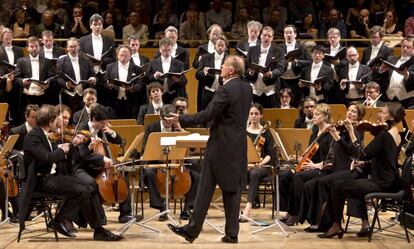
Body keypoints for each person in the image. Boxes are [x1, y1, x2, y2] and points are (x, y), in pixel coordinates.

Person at [167, 55, 252, 244]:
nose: (221, 67)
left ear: (231, 70)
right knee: (232, 189)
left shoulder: (226, 89)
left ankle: (191, 230)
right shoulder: (247, 88)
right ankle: (231, 233)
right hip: (238, 144)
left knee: (205, 188)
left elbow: (207, 115)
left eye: (224, 65)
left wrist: (180, 119)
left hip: (220, 146)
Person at [22, 104, 123, 240]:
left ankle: (61, 220)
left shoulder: (43, 134)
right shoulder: (33, 137)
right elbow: (47, 158)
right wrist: (61, 150)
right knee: (82, 189)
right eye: (57, 119)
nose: (59, 122)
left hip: (51, 177)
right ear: (51, 121)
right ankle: (97, 230)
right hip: (41, 180)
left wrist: (73, 144)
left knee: (86, 187)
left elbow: (55, 151)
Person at [318, 102, 404, 239]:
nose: (379, 114)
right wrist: (364, 164)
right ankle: (363, 224)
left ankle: (336, 225)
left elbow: (361, 153)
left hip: (380, 183)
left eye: (382, 112)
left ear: (391, 117)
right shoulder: (397, 135)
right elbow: (383, 159)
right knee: (353, 182)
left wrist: (352, 133)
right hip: (390, 181)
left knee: (336, 185)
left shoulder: (384, 135)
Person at [299, 103, 365, 232]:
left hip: (347, 168)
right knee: (314, 183)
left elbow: (352, 151)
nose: (350, 113)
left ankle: (324, 223)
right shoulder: (343, 128)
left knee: (321, 182)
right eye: (349, 110)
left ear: (359, 116)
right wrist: (335, 134)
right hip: (337, 166)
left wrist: (338, 136)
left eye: (354, 112)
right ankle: (318, 220)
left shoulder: (357, 131)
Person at [141, 104, 199, 221]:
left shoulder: (178, 126)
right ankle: (161, 208)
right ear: (161, 118)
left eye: (171, 121)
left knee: (197, 177)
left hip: (177, 164)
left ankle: (187, 209)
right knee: (148, 172)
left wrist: (182, 131)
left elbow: (192, 148)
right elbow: (144, 150)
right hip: (157, 163)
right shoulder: (152, 128)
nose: (169, 124)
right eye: (166, 121)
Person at [281, 103, 333, 226]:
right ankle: (290, 210)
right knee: (285, 175)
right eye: (313, 115)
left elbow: (331, 159)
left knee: (298, 177)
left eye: (317, 114)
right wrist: (300, 158)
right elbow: (311, 154)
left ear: (325, 116)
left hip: (323, 168)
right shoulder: (314, 133)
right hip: (312, 166)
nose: (313, 117)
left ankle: (295, 213)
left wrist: (314, 165)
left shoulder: (331, 133)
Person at [240, 103, 277, 221]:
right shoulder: (243, 132)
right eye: (251, 114)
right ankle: (235, 208)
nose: (253, 116)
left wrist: (258, 164)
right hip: (247, 164)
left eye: (256, 114)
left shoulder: (266, 132)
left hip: (263, 166)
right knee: (237, 172)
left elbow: (270, 155)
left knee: (255, 173)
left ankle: (247, 209)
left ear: (261, 115)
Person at [245, 26, 284, 108]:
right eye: (264, 35)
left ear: (272, 38)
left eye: (269, 36)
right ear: (260, 36)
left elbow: (280, 69)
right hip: (255, 90)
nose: (266, 38)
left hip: (270, 90)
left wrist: (271, 73)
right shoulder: (252, 50)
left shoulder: (278, 51)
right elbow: (245, 68)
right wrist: (250, 72)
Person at [104, 44, 145, 119]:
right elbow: (105, 82)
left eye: (126, 55)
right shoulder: (110, 67)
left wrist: (133, 88)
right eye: (121, 55)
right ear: (117, 55)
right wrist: (109, 86)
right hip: (114, 102)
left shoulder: (137, 69)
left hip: (131, 102)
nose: (123, 58)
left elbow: (140, 84)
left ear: (130, 56)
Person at [147, 37, 188, 104]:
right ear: (160, 49)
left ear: (171, 49)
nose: (167, 53)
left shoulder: (179, 63)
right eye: (164, 50)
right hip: (158, 96)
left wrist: (178, 80)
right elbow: (147, 79)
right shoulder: (153, 63)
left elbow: (185, 81)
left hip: (174, 95)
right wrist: (154, 76)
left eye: (169, 50)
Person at [196, 35, 228, 110]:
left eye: (222, 45)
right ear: (214, 46)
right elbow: (197, 74)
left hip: (223, 92)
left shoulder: (229, 59)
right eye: (218, 45)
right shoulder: (205, 58)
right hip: (208, 92)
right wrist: (204, 72)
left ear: (226, 47)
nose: (220, 47)